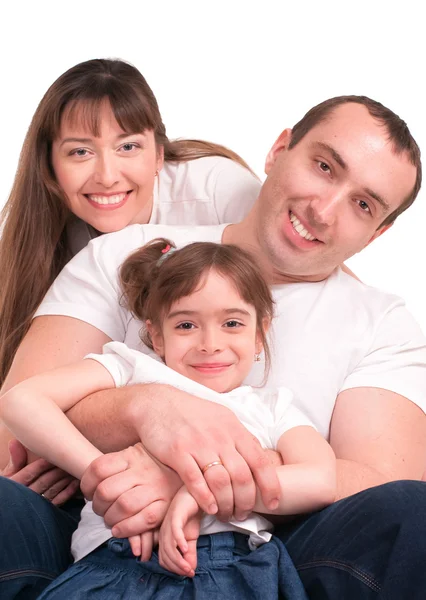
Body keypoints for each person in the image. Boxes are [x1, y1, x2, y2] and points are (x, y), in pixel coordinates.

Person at [1, 94, 426, 599]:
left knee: (412, 516)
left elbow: (379, 483)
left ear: (378, 232)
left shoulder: (382, 323)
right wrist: (146, 410)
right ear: (279, 150)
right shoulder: (127, 251)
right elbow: (17, 433)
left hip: (273, 546)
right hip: (101, 525)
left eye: (362, 204)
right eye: (324, 167)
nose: (324, 209)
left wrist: (195, 479)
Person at [1, 239, 336, 599]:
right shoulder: (133, 369)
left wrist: (195, 492)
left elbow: (321, 479)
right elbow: (20, 400)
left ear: (259, 334)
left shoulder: (272, 407)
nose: (210, 343)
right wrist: (106, 477)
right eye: (187, 325)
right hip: (110, 566)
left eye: (232, 323)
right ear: (157, 336)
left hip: (231, 569)